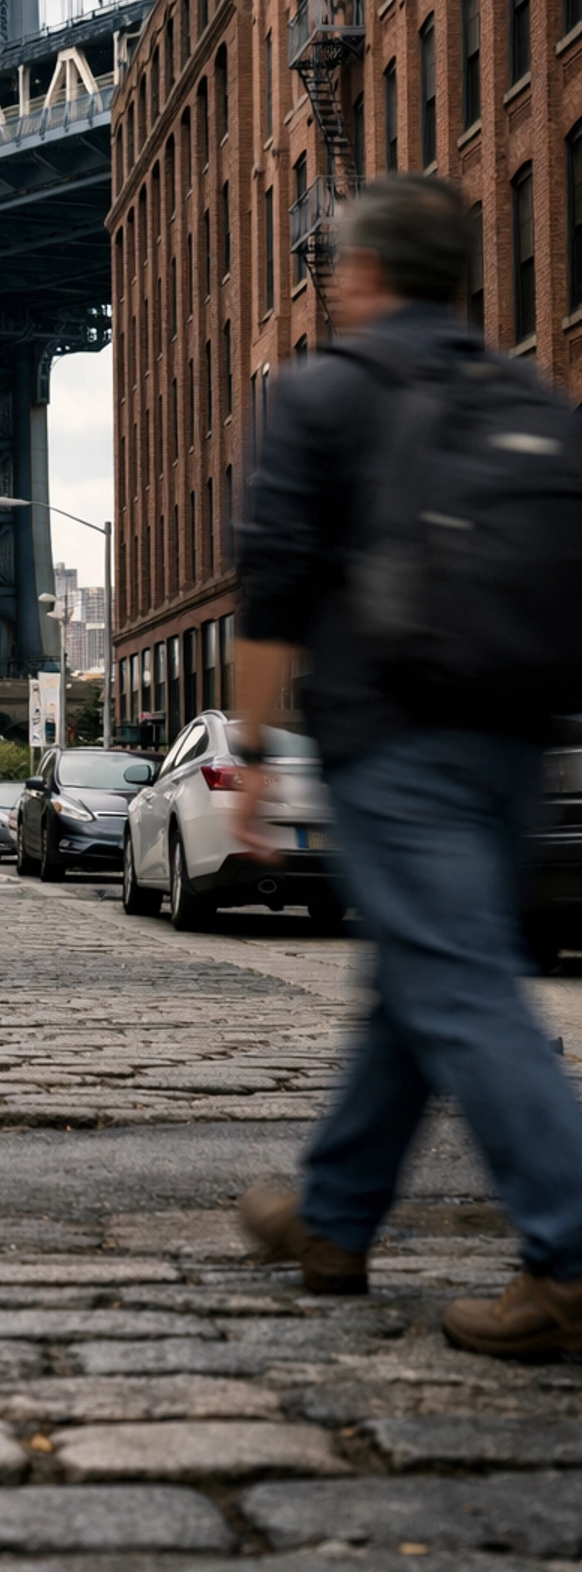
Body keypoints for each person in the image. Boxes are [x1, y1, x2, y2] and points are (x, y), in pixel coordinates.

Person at [231, 174, 582, 1357]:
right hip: (517, 740)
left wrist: (251, 753)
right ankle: (332, 1219)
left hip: (394, 739)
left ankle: (572, 1254)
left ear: (365, 274)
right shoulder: (526, 393)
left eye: (336, 264)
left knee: (463, 985)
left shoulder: (327, 394)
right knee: (416, 980)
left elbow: (274, 584)